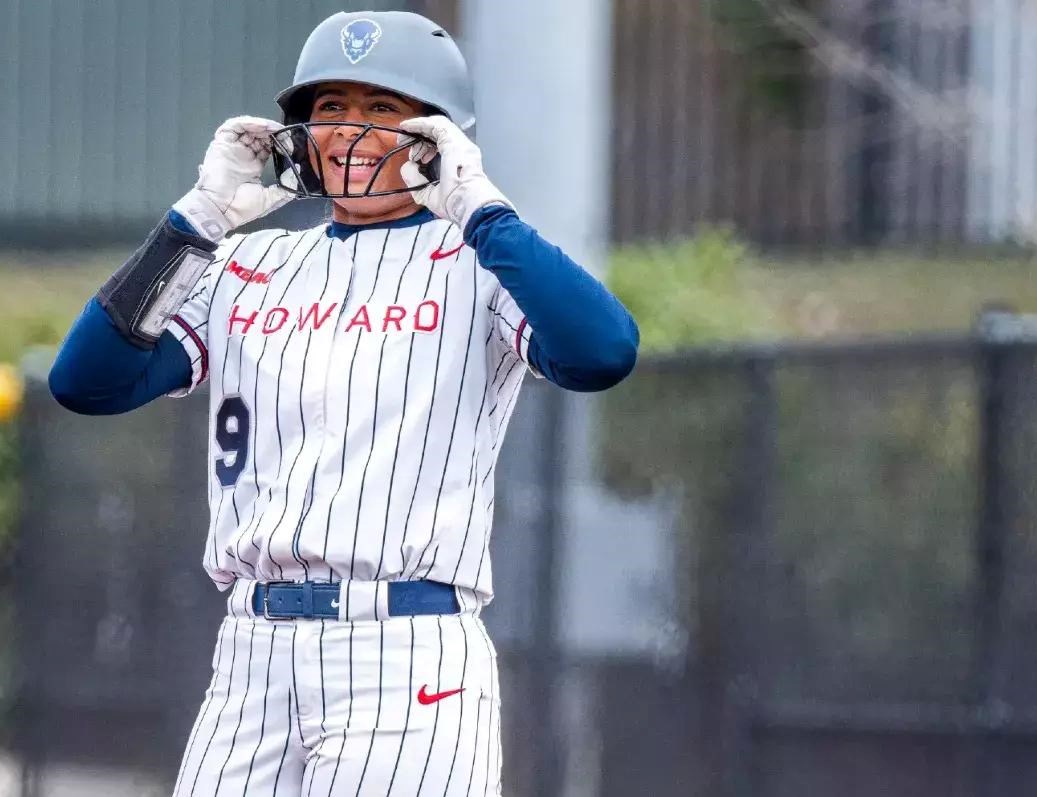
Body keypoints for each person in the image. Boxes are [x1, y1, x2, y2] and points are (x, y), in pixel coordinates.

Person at [48, 10, 638, 795]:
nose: (351, 131)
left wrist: (482, 209)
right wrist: (195, 221)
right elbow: (85, 382)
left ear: (437, 134)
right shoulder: (244, 263)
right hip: (253, 646)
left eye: (381, 109)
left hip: (404, 648)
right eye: (331, 108)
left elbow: (604, 352)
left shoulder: (479, 261)